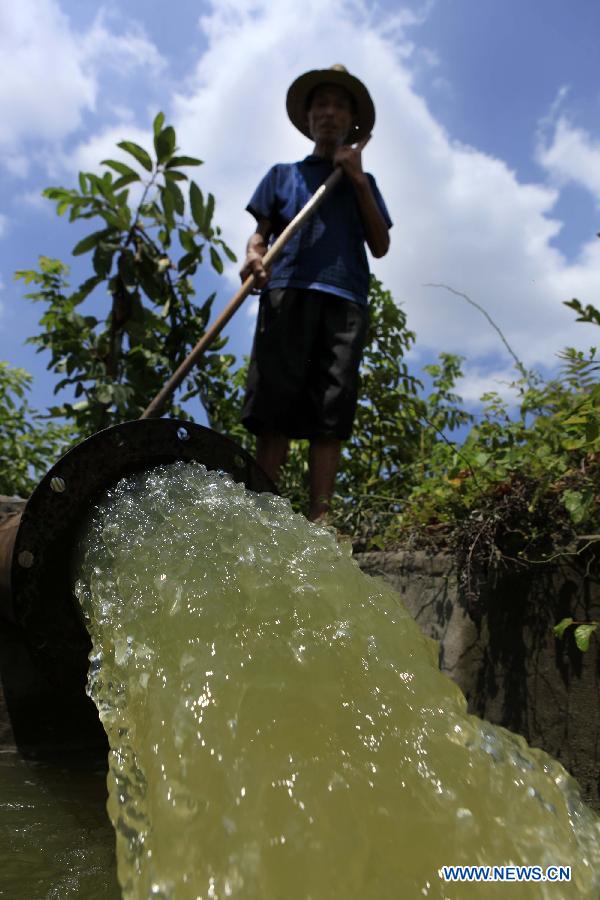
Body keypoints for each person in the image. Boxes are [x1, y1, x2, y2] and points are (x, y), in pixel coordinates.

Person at [240, 64, 392, 522]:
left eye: (339, 106)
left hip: (344, 297)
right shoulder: (282, 175)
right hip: (287, 291)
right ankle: (260, 513)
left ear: (352, 123)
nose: (329, 113)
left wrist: (356, 177)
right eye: (320, 105)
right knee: (274, 406)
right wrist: (253, 255)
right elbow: (258, 236)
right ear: (308, 118)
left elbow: (381, 245)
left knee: (332, 404)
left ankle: (320, 518)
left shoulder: (363, 183)